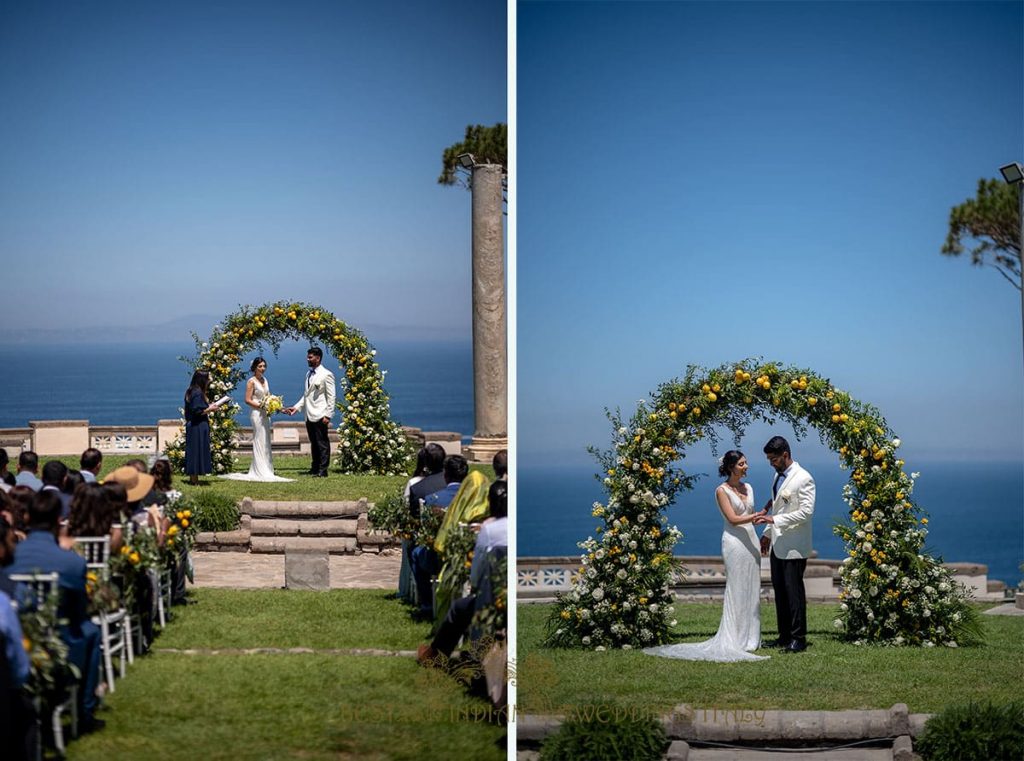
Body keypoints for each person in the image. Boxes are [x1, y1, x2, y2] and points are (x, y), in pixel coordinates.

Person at [644, 450, 769, 662]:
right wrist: (754, 516)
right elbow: (732, 519)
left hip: (751, 542)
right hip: (734, 544)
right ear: (731, 467)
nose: (746, 466)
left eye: (746, 462)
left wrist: (761, 515)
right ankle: (734, 639)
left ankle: (750, 638)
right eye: (741, 463)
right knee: (736, 587)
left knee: (751, 587)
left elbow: (747, 516)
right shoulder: (721, 491)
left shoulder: (749, 487)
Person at [7, 491, 105, 732]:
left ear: (27, 517)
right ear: (58, 520)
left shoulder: (10, 557)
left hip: (13, 641)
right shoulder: (72, 563)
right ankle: (85, 710)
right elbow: (79, 611)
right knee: (91, 630)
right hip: (59, 645)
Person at [418, 480, 508, 666]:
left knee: (460, 608)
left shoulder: (489, 530)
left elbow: (477, 571)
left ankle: (436, 655)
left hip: (492, 599)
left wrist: (476, 586)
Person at [755, 436, 815, 653]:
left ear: (785, 455)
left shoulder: (804, 478)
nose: (771, 463)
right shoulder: (777, 476)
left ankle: (798, 639)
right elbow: (779, 509)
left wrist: (774, 520)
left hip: (794, 546)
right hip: (778, 544)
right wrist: (767, 534)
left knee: (794, 594)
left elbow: (806, 513)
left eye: (773, 459)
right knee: (780, 592)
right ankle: (784, 636)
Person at [222, 357, 292, 482]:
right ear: (254, 367)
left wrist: (280, 408)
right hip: (256, 414)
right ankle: (259, 470)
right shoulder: (251, 381)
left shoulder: (265, 380)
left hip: (265, 414)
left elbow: (268, 397)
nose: (263, 368)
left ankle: (266, 468)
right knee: (259, 439)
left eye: (264, 366)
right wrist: (262, 405)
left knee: (266, 440)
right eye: (260, 366)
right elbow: (247, 400)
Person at [284, 347, 336, 477]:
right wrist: (296, 407)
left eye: (310, 357)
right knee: (313, 442)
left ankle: (323, 470)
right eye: (308, 357)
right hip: (309, 414)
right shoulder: (308, 374)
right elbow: (306, 395)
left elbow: (332, 397)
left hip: (320, 414)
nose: (307, 359)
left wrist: (328, 415)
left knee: (322, 443)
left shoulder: (326, 374)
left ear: (318, 358)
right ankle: (315, 467)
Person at [184, 370, 216, 485]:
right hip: (197, 425)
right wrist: (210, 409)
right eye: (208, 377)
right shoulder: (197, 393)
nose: (210, 380)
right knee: (196, 450)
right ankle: (194, 479)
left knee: (195, 450)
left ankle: (194, 478)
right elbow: (197, 411)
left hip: (195, 425)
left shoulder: (192, 391)